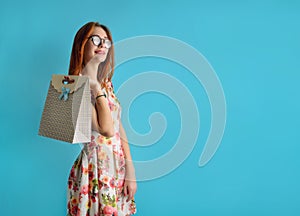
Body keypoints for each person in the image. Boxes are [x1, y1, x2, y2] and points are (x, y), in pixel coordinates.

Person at [66, 22, 137, 216]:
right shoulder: (74, 85)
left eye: (106, 41)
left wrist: (130, 170)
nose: (102, 45)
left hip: (117, 167)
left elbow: (118, 125)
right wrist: (95, 88)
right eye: (96, 40)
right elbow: (105, 128)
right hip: (95, 169)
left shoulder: (106, 83)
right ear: (82, 45)